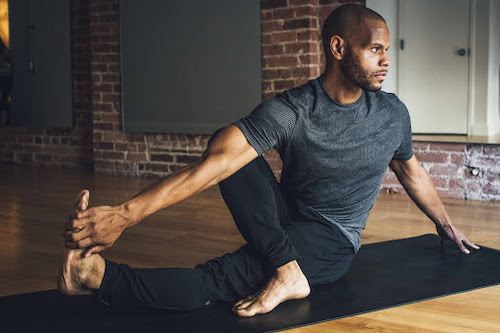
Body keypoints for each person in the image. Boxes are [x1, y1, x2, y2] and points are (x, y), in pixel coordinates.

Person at [58, 4, 479, 317]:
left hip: (331, 241)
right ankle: (287, 269)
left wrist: (445, 225)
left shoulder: (391, 114)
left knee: (218, 278)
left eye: (386, 50)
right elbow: (215, 166)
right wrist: (123, 215)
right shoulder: (293, 109)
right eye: (374, 49)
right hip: (283, 220)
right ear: (338, 47)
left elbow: (409, 168)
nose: (386, 60)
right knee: (229, 151)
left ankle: (96, 277)